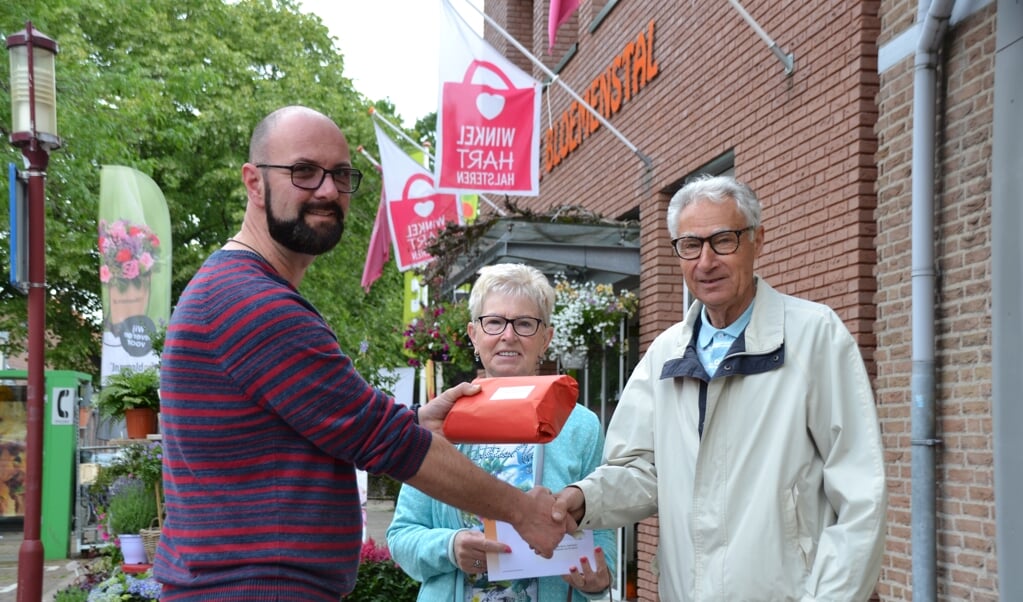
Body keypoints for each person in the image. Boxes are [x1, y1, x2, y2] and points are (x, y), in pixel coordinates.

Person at [154, 106, 568, 601]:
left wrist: (415, 422)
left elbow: (349, 426)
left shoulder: (243, 290)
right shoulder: (251, 302)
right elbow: (383, 439)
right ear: (254, 182)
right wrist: (522, 512)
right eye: (303, 172)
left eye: (341, 175)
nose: (327, 190)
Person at [552, 175, 888, 601]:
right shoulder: (664, 355)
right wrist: (583, 499)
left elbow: (861, 494)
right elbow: (639, 472)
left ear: (757, 241)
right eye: (690, 245)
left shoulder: (815, 337)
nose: (705, 261)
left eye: (723, 240)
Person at [388, 263, 616, 601]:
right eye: (494, 322)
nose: (508, 335)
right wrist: (450, 547)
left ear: (546, 338)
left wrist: (598, 581)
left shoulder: (579, 425)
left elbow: (601, 532)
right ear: (473, 334)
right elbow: (401, 536)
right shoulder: (440, 420)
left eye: (524, 323)